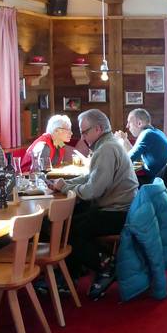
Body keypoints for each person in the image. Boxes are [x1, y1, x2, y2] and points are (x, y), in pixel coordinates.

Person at [50, 109, 138, 300]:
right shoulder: (108, 145)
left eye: (84, 132)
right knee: (71, 221)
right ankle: (71, 276)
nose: (82, 137)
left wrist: (64, 187)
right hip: (121, 209)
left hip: (118, 213)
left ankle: (105, 265)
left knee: (67, 229)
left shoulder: (106, 149)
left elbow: (92, 191)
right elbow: (90, 178)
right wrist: (65, 184)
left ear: (98, 129)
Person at [114, 108, 167, 181]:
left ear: (139, 123)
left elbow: (127, 159)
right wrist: (125, 140)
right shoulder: (156, 132)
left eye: (129, 122)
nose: (127, 126)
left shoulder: (147, 134)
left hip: (154, 181)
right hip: (160, 179)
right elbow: (136, 156)